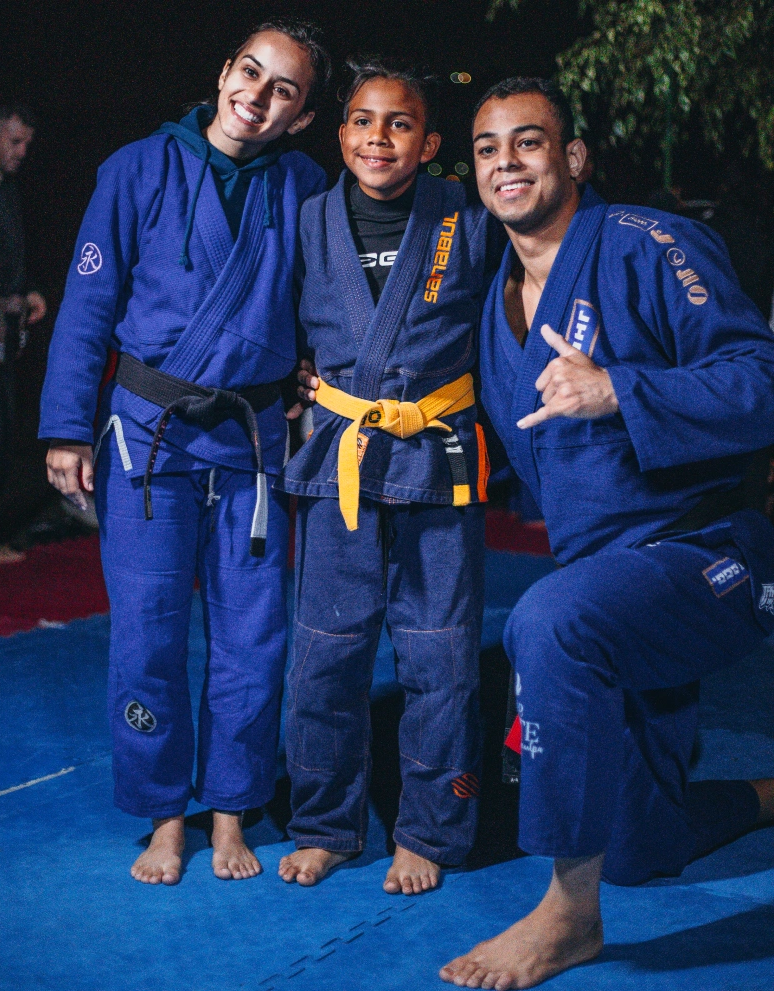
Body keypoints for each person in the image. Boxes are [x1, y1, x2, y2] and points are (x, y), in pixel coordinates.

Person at [440, 78, 774, 989]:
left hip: (709, 556)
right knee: (637, 844)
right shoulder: (493, 304)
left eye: (529, 142)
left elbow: (760, 377)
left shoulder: (645, 243)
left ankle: (566, 917)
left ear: (573, 157)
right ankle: (759, 795)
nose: (505, 161)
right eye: (486, 148)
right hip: (605, 585)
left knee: (544, 624)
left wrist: (621, 387)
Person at [39, 20, 330, 885]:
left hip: (249, 443)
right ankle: (166, 814)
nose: (258, 94)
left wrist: (317, 378)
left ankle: (231, 808)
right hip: (148, 437)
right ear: (223, 72)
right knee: (147, 633)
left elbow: (320, 304)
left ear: (303, 116)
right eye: (251, 71)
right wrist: (62, 428)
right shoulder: (135, 169)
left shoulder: (305, 187)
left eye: (284, 89)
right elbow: (87, 306)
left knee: (254, 635)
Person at [276, 60, 499, 894]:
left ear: (430, 142)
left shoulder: (468, 223)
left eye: (399, 123)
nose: (379, 137)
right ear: (340, 136)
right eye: (363, 121)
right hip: (339, 455)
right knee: (325, 656)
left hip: (436, 456)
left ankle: (429, 830)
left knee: (439, 655)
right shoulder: (305, 223)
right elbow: (275, 329)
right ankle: (327, 823)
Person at [0, 102, 47, 563]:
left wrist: (26, 293)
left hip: (2, 342)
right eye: (14, 141)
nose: (22, 151)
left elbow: (11, 264)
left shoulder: (7, 192)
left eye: (27, 143)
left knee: (3, 431)